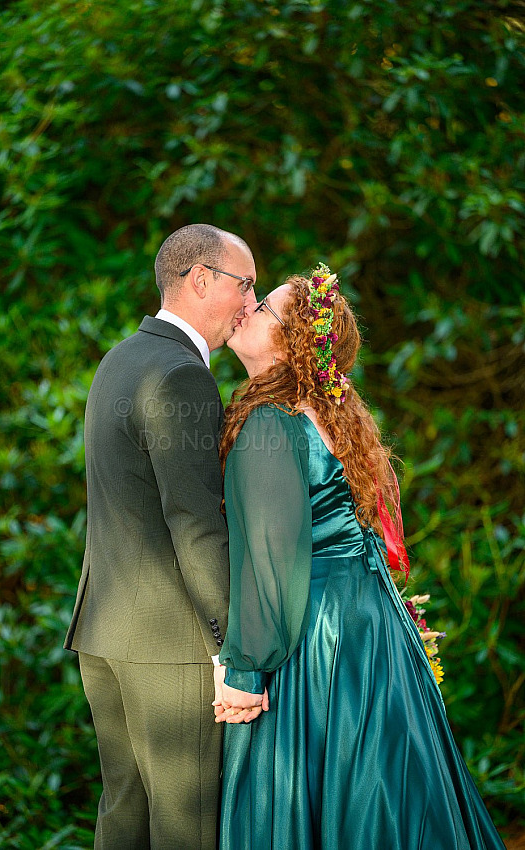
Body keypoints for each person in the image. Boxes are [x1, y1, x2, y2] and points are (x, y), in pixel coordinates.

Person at [213, 265, 506, 849]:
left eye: (264, 306)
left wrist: (245, 673)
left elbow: (272, 564)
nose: (247, 308)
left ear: (294, 342)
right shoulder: (323, 413)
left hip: (317, 636)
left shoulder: (271, 421)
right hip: (369, 630)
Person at [64, 224, 257, 850]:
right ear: (201, 280)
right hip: (170, 647)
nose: (249, 305)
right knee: (186, 831)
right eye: (244, 285)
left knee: (124, 817)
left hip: (105, 631)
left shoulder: (120, 358)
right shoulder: (182, 376)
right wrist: (235, 644)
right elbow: (195, 522)